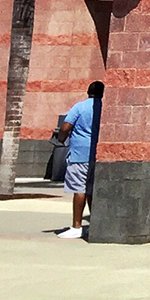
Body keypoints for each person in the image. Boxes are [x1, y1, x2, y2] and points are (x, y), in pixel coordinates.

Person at [55, 80, 103, 238]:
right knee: (91, 190)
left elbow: (66, 127)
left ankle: (77, 226)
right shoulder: (104, 108)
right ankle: (95, 224)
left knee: (80, 189)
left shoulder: (80, 107)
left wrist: (61, 140)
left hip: (79, 153)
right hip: (98, 154)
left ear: (88, 92)